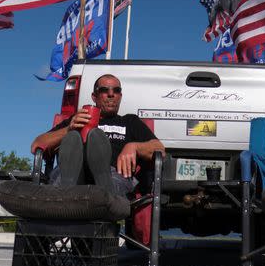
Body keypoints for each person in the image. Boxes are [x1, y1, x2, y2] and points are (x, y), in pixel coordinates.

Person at [30, 74, 165, 197]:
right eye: (104, 90)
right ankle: (71, 187)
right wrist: (69, 130)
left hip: (113, 172)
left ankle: (101, 186)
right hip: (73, 170)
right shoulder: (78, 120)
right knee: (71, 148)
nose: (111, 94)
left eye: (116, 90)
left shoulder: (130, 121)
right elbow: (37, 144)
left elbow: (159, 149)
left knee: (111, 180)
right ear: (94, 96)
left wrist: (134, 146)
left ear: (120, 96)